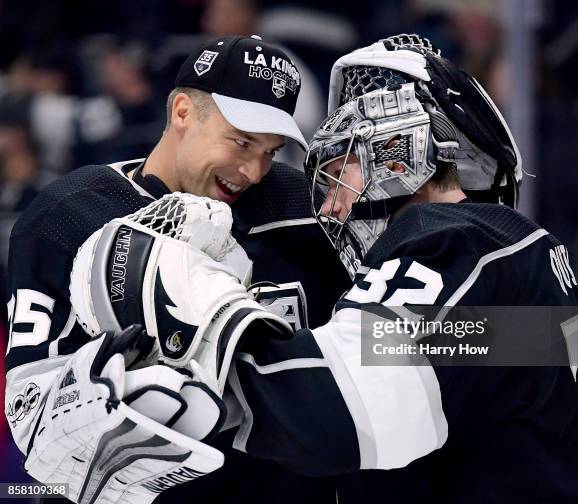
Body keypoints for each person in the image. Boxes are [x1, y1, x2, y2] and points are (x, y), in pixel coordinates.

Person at [81, 34, 578, 502]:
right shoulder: (509, 256)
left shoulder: (456, 242)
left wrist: (195, 310)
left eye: (340, 169)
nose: (330, 206)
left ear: (398, 152)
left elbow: (342, 416)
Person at [4, 35, 347, 503]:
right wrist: (109, 397)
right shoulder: (68, 215)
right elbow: (30, 415)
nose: (253, 170)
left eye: (269, 151)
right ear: (183, 112)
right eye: (241, 142)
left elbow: (412, 332)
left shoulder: (304, 205)